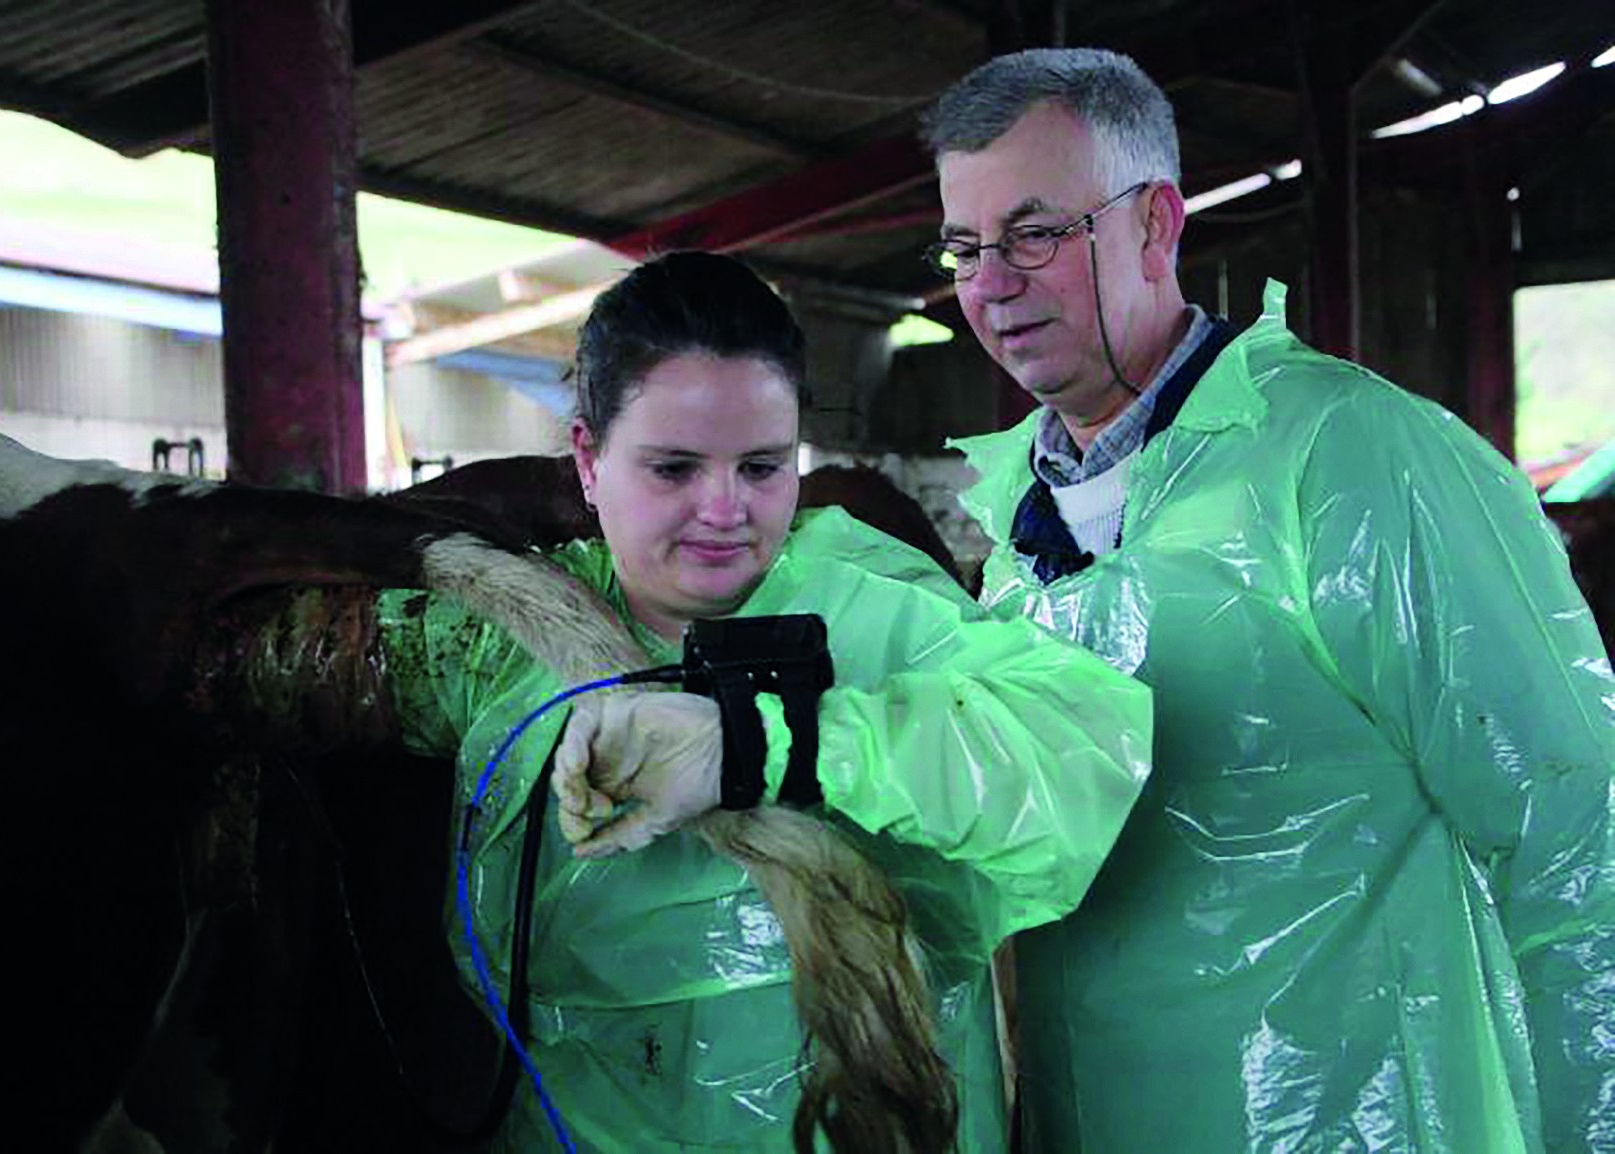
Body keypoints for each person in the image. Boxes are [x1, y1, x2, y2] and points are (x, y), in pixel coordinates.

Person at [210, 250, 1151, 1152]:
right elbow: (249, 673)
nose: (724, 510)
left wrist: (765, 745)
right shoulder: (488, 643)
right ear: (587, 460)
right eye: (673, 469)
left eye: (762, 467)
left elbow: (1083, 753)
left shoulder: (877, 607)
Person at [922, 47, 1615, 1154]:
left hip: (1355, 1121)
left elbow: (1577, 826)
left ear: (1156, 223)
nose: (990, 282)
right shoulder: (1016, 534)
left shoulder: (1349, 458)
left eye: (1034, 233)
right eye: (965, 246)